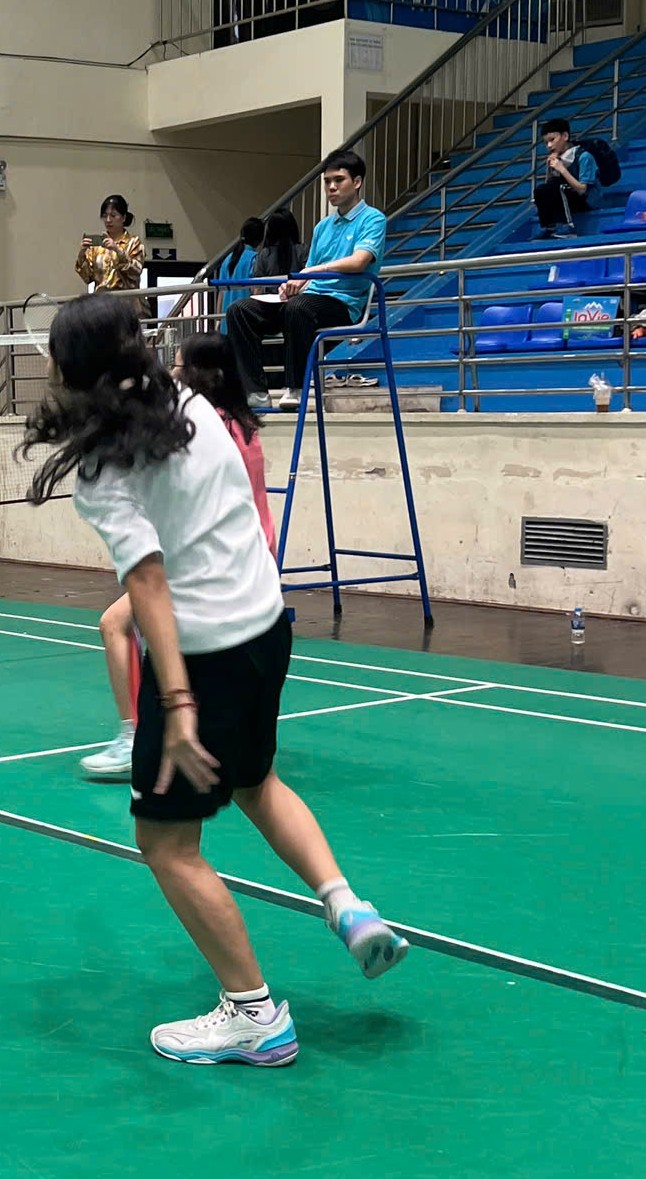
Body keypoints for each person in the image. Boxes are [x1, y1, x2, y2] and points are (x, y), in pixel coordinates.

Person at [29, 293, 404, 1067]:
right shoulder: (194, 403)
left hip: (203, 656)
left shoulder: (101, 470)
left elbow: (149, 585)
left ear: (71, 371)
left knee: (167, 844)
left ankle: (253, 1014)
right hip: (267, 627)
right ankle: (347, 906)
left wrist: (176, 704)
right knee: (255, 780)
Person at [79, 331, 273, 783]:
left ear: (204, 373)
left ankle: (134, 736)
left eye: (180, 365)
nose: (172, 372)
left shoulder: (204, 426)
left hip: (217, 561)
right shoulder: (240, 423)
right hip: (251, 557)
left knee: (115, 624)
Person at [224, 150, 386, 412]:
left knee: (298, 307)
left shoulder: (373, 219)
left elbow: (359, 261)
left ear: (357, 182)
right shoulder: (323, 227)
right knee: (239, 310)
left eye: (339, 180)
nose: (331, 187)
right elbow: (308, 275)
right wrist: (294, 285)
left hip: (343, 304)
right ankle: (255, 392)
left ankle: (296, 387)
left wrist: (313, 271)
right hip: (307, 300)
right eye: (327, 181)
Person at [534, 118, 598, 238]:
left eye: (552, 140)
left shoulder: (584, 156)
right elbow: (549, 187)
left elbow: (582, 189)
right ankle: (549, 227)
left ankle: (566, 227)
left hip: (586, 199)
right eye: (546, 142)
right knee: (540, 190)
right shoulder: (558, 158)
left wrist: (562, 169)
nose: (549, 145)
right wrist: (549, 169)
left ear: (565, 136)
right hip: (566, 196)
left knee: (559, 188)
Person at [74, 195, 145, 294]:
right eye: (104, 216)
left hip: (126, 300)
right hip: (101, 300)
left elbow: (135, 273)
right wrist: (82, 255)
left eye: (113, 215)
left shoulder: (134, 242)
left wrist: (117, 250)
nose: (108, 220)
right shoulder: (97, 246)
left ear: (124, 217)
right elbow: (87, 278)